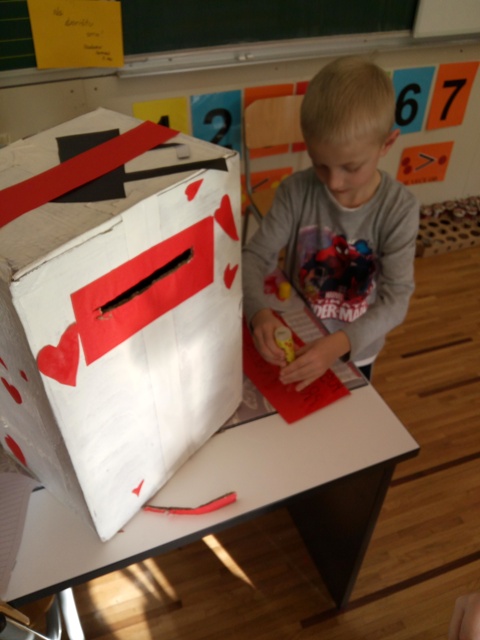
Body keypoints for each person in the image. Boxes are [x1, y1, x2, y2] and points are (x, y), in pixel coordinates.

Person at [242, 55, 420, 390]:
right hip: (297, 334)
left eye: (350, 168)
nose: (334, 182)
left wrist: (338, 345)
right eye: (320, 164)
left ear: (387, 144)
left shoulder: (399, 209)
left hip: (356, 350)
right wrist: (259, 313)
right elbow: (254, 257)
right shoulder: (296, 191)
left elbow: (396, 300)